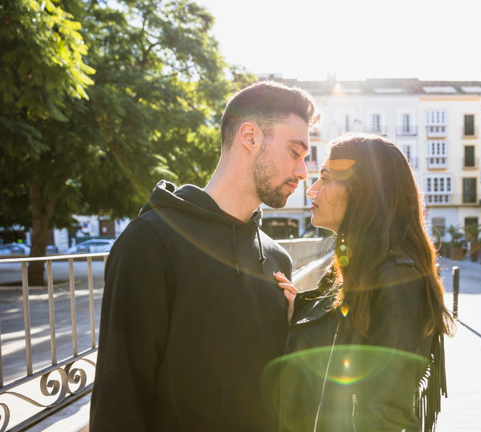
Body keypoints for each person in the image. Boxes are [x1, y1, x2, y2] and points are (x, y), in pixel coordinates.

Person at [90, 81, 319, 432]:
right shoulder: (151, 242)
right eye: (295, 152)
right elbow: (119, 402)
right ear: (250, 136)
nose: (303, 172)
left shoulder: (277, 260)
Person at [273, 133, 456, 432]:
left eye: (326, 178)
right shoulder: (356, 269)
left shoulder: (396, 278)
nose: (312, 190)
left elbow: (384, 416)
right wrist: (303, 309)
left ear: (364, 192)